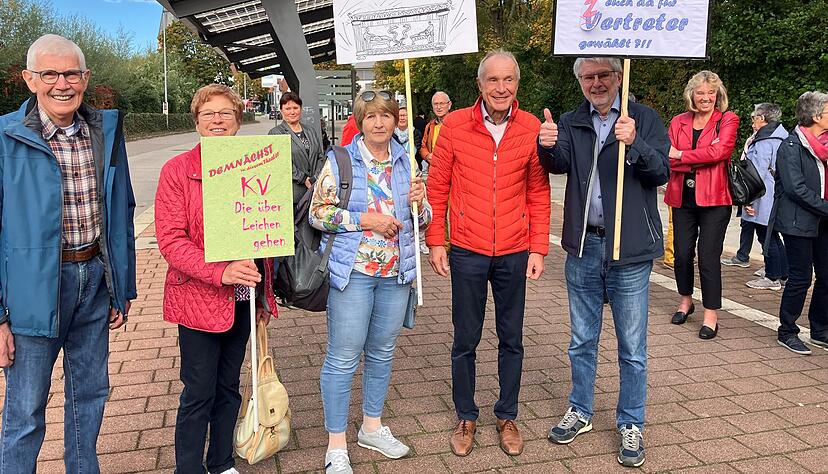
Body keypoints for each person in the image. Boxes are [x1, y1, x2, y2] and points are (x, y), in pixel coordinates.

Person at [0, 34, 136, 472]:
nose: (62, 83)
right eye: (49, 74)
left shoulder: (104, 131)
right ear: (29, 79)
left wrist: (122, 286)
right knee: (25, 412)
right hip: (31, 292)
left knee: (90, 398)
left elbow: (122, 208)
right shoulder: (6, 137)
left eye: (71, 73)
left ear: (86, 78)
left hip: (93, 279)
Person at [538, 57, 670, 468]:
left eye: (603, 75)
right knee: (581, 340)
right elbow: (558, 164)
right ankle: (581, 409)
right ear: (580, 81)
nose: (596, 83)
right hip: (583, 246)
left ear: (618, 77)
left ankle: (631, 421)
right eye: (588, 77)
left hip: (628, 249)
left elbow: (661, 172)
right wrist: (545, 145)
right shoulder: (571, 119)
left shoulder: (643, 118)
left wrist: (637, 144)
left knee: (632, 347)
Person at [426, 50, 550, 458]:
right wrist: (435, 239)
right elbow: (438, 186)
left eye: (508, 80)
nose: (501, 88)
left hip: (514, 250)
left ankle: (507, 414)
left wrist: (538, 247)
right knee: (466, 338)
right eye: (492, 80)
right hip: (467, 249)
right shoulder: (456, 126)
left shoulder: (530, 127)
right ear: (479, 85)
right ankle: (466, 415)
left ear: (517, 84)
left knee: (511, 338)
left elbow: (538, 192)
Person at [155, 84, 277, 474]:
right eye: (209, 114)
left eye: (226, 113)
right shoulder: (177, 171)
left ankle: (221, 461)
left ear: (239, 121)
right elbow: (171, 240)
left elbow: (265, 232)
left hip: (242, 297)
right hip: (197, 300)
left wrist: (263, 298)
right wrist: (219, 272)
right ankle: (187, 468)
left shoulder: (255, 165)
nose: (218, 120)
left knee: (228, 387)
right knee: (198, 391)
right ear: (197, 122)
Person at [310, 89, 432, 474]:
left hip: (397, 274)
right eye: (370, 117)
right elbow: (318, 214)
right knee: (344, 357)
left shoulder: (405, 160)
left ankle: (372, 426)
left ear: (396, 120)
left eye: (386, 116)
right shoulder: (341, 160)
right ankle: (336, 444)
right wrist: (366, 220)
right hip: (355, 274)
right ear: (360, 122)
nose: (379, 123)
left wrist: (421, 202)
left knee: (382, 352)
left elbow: (422, 223)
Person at [665, 70, 739, 340]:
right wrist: (702, 156)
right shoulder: (678, 121)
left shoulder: (727, 120)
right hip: (682, 197)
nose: (706, 98)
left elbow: (721, 153)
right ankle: (686, 300)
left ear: (718, 95)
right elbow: (668, 157)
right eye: (701, 93)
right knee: (682, 254)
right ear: (691, 95)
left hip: (715, 199)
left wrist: (683, 155)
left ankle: (711, 314)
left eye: (711, 93)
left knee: (708, 256)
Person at [770, 91, 828, 355]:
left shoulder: (825, 145)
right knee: (800, 278)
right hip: (798, 222)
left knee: (826, 276)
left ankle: (820, 329)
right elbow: (796, 188)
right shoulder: (791, 146)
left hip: (822, 221)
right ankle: (787, 330)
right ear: (816, 116)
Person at [740, 103, 789, 290]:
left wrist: (748, 200)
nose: (752, 122)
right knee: (774, 235)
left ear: (762, 119)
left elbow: (756, 174)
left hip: (763, 195)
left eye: (754, 118)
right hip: (775, 193)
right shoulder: (782, 137)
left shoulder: (764, 141)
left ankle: (772, 276)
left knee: (766, 237)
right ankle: (784, 273)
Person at [269, 91, 326, 207]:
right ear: (281, 110)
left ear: (301, 109)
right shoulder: (276, 133)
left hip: (314, 191)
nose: (292, 112)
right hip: (293, 194)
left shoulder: (310, 131)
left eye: (295, 107)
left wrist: (315, 177)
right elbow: (280, 163)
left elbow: (320, 156)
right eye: (288, 108)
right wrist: (303, 178)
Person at [419, 91, 452, 180]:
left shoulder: (456, 125)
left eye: (441, 103)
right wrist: (427, 156)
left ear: (449, 105)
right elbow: (423, 147)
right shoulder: (430, 126)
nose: (439, 107)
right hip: (434, 173)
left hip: (452, 173)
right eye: (436, 104)